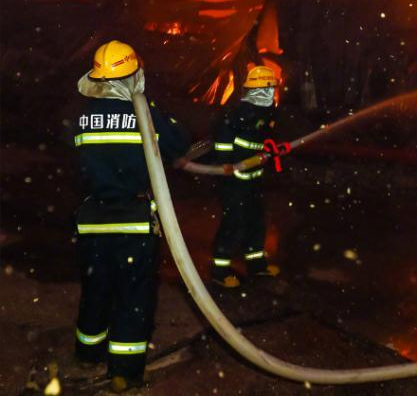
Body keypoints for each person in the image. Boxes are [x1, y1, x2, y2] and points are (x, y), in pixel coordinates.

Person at [73, 40, 189, 393]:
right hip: (133, 222)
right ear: (134, 74)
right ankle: (124, 370)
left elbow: (78, 162)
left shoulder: (82, 117)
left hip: (92, 219)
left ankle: (88, 353)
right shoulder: (145, 114)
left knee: (96, 288)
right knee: (133, 297)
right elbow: (179, 143)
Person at [210, 65, 286, 287]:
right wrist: (227, 164)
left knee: (256, 222)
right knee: (232, 223)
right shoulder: (238, 114)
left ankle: (256, 266)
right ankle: (219, 271)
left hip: (253, 179)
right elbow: (223, 143)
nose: (271, 94)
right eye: (268, 89)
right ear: (259, 90)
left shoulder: (267, 113)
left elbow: (267, 139)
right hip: (233, 181)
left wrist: (274, 149)